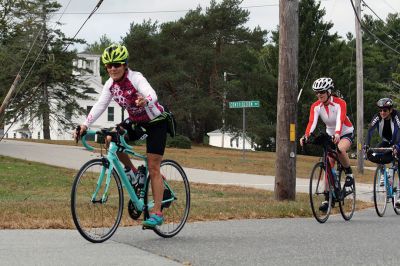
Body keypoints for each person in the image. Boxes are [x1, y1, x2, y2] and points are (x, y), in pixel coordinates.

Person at [78, 44, 168, 228]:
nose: (113, 68)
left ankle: (157, 213)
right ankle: (135, 175)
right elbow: (100, 105)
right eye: (109, 65)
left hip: (156, 122)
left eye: (117, 64)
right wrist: (85, 124)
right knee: (113, 138)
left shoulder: (136, 78)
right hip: (136, 120)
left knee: (153, 166)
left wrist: (146, 100)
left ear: (125, 65)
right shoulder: (110, 85)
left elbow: (153, 94)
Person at [299, 77, 355, 212]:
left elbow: (340, 120)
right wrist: (305, 136)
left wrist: (337, 133)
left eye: (322, 92)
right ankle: (327, 197)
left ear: (329, 91)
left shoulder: (340, 103)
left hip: (345, 132)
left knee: (340, 149)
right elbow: (312, 122)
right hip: (331, 134)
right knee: (327, 163)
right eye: (317, 92)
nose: (319, 95)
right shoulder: (316, 106)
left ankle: (349, 174)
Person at [365, 98, 400, 204]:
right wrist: (367, 145)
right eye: (380, 110)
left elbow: (399, 131)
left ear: (390, 110)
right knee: (376, 152)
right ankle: (383, 173)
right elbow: (370, 131)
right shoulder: (377, 117)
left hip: (398, 140)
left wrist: (397, 147)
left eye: (385, 110)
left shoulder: (397, 116)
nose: (382, 112)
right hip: (386, 141)